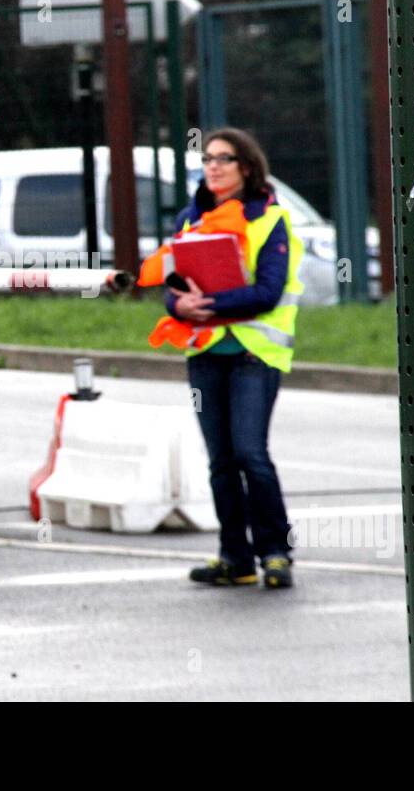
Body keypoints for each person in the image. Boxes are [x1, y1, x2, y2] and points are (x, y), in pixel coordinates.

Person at [146, 128, 304, 589]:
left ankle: (276, 552)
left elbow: (269, 292)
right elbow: (172, 287)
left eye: (224, 159)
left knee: (251, 454)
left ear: (247, 168)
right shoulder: (190, 219)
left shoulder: (271, 219)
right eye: (207, 159)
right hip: (205, 352)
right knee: (220, 461)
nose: (212, 166)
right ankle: (234, 557)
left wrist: (209, 305)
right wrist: (180, 307)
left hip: (254, 352)